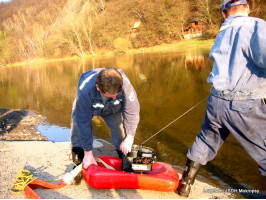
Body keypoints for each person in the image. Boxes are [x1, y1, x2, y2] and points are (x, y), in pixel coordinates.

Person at [177, 0, 266, 197]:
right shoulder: (255, 25)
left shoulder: (223, 30)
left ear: (224, 14)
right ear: (248, 8)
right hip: (245, 103)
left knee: (207, 139)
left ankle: (185, 183)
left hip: (216, 101)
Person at [70, 67, 140, 183]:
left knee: (120, 131)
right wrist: (88, 152)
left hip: (113, 108)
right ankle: (78, 161)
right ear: (98, 88)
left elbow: (132, 112)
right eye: (110, 95)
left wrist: (130, 137)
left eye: (116, 94)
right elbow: (84, 123)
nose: (114, 97)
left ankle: (123, 159)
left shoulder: (125, 86)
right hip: (90, 105)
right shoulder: (85, 91)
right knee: (77, 129)